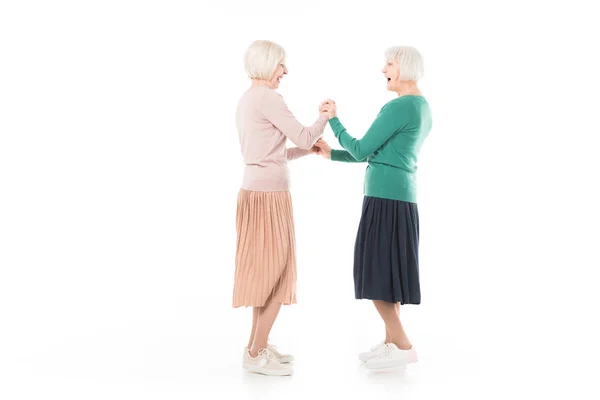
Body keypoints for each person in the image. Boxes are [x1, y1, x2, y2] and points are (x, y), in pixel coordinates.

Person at [314, 46, 432, 370]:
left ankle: (404, 345)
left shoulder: (400, 107)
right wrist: (330, 155)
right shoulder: (421, 106)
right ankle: (392, 343)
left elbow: (363, 148)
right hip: (401, 197)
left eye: (389, 63)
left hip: (385, 197)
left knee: (376, 274)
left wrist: (334, 120)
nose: (383, 69)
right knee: (390, 275)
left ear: (405, 67)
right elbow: (373, 153)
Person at [233, 39, 331, 376]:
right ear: (267, 65)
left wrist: (308, 151)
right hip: (270, 198)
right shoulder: (268, 98)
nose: (285, 71)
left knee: (265, 274)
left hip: (253, 193)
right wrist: (324, 117)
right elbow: (303, 136)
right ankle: (257, 351)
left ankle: (254, 347)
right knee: (279, 274)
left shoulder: (248, 100)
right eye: (281, 65)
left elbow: (272, 154)